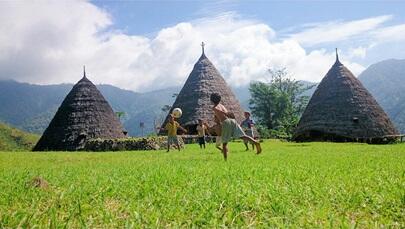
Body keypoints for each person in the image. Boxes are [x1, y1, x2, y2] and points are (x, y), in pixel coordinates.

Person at [210, 93, 261, 161]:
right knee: (243, 136)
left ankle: (225, 160)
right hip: (232, 120)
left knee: (224, 144)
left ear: (211, 100)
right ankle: (256, 142)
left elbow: (218, 110)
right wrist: (226, 113)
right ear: (219, 100)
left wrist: (224, 113)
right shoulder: (222, 105)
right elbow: (227, 112)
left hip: (226, 122)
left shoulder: (214, 107)